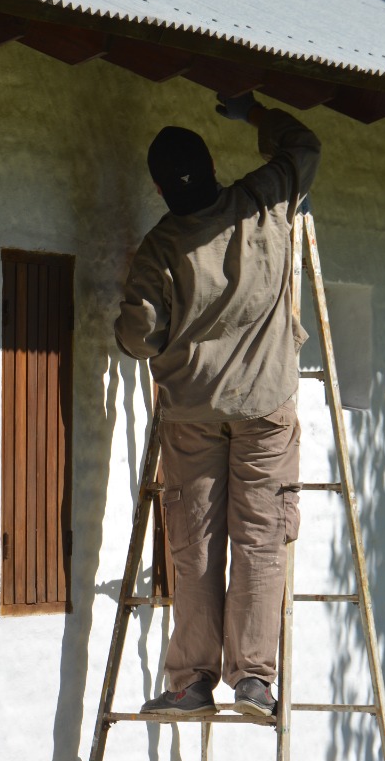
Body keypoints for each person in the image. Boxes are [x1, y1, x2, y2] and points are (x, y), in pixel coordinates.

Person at [114, 92, 320, 717]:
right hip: (264, 407)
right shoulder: (263, 200)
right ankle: (254, 681)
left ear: (157, 185)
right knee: (260, 538)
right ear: (209, 168)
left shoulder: (159, 247)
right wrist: (255, 111)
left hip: (192, 413)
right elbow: (303, 146)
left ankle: (190, 685)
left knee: (195, 544)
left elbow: (137, 338)